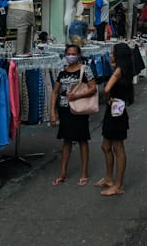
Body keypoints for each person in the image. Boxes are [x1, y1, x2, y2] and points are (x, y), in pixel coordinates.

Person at [50, 44, 97, 186]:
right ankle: (63, 172)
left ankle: (84, 172)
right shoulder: (62, 72)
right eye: (68, 53)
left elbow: (93, 88)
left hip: (79, 110)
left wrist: (76, 96)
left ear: (78, 55)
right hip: (65, 111)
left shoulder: (85, 69)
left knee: (82, 139)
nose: (71, 56)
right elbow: (55, 92)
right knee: (66, 141)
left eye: (73, 53)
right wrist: (52, 112)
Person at [96, 43, 134, 196]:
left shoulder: (119, 70)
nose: (111, 55)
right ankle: (109, 178)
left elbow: (106, 89)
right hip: (117, 108)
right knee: (106, 145)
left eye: (113, 53)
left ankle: (118, 184)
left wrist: (107, 98)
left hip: (116, 109)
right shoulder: (125, 69)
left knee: (117, 146)